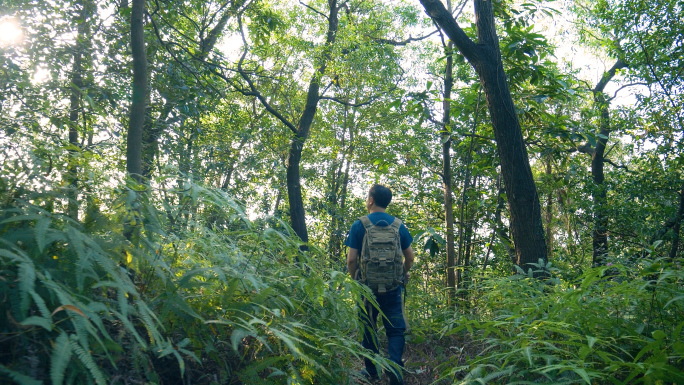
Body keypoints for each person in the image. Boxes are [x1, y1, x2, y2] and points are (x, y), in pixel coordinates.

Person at [346, 184, 414, 385]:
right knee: (395, 329)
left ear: (371, 200)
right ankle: (394, 367)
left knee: (368, 328)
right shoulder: (398, 225)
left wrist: (356, 280)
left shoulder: (360, 225)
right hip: (392, 288)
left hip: (367, 289)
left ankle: (372, 372)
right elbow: (410, 257)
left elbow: (351, 260)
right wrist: (402, 273)